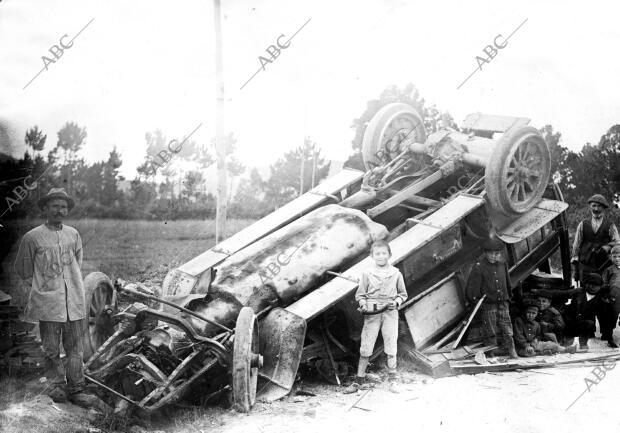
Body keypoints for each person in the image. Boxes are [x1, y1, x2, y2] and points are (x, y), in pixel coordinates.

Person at [14, 188, 98, 407]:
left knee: (75, 349)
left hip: (75, 302)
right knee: (51, 348)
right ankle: (56, 386)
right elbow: (23, 269)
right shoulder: (32, 237)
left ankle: (77, 389)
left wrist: (70, 283)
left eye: (64, 207)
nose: (60, 210)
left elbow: (77, 263)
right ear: (45, 208)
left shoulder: (73, 234)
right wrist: (44, 288)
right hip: (49, 304)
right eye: (55, 206)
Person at [352, 239, 407, 386]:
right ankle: (359, 380)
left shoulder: (396, 273)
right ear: (372, 256)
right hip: (372, 313)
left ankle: (393, 380)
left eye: (383, 253)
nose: (381, 256)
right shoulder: (367, 273)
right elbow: (360, 294)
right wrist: (363, 303)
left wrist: (396, 302)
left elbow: (402, 294)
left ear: (389, 254)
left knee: (391, 344)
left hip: (390, 313)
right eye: (377, 253)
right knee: (366, 345)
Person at [465, 237, 518, 359]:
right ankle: (491, 352)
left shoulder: (502, 264)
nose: (494, 256)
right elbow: (472, 287)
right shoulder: (479, 266)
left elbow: (507, 281)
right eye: (491, 254)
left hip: (503, 303)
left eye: (497, 254)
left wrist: (508, 297)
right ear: (485, 253)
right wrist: (477, 301)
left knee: (507, 328)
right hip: (488, 304)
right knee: (490, 331)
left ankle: (511, 350)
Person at [571, 194, 620, 284]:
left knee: (602, 291)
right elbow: (576, 245)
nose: (596, 209)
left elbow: (617, 242)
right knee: (583, 293)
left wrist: (607, 247)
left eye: (599, 206)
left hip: (603, 266)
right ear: (590, 207)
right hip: (585, 265)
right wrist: (575, 268)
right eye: (594, 206)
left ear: (604, 208)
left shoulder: (610, 225)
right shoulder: (583, 224)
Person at [563, 273, 605, 349]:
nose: (592, 287)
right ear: (586, 284)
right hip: (570, 321)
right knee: (566, 345)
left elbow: (605, 316)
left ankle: (583, 343)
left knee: (589, 323)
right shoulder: (579, 291)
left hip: (583, 323)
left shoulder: (601, 298)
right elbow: (559, 294)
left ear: (600, 287)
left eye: (596, 285)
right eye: (590, 284)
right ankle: (567, 340)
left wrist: (608, 335)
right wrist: (538, 292)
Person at [601, 245, 620, 348]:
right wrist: (606, 296)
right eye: (615, 256)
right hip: (614, 298)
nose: (617, 259)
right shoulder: (609, 270)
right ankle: (609, 339)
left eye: (619, 256)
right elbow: (603, 284)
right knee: (612, 318)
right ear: (611, 257)